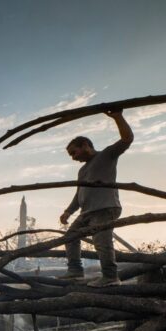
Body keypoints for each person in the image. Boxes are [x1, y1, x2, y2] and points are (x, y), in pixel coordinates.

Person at [58, 110, 134, 287]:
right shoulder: (82, 170)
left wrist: (118, 117)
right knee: (70, 237)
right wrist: (68, 211)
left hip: (105, 208)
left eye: (74, 152)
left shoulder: (106, 155)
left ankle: (110, 277)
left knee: (101, 242)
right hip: (87, 212)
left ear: (85, 145)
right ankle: (75, 271)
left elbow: (127, 139)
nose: (73, 157)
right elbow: (79, 194)